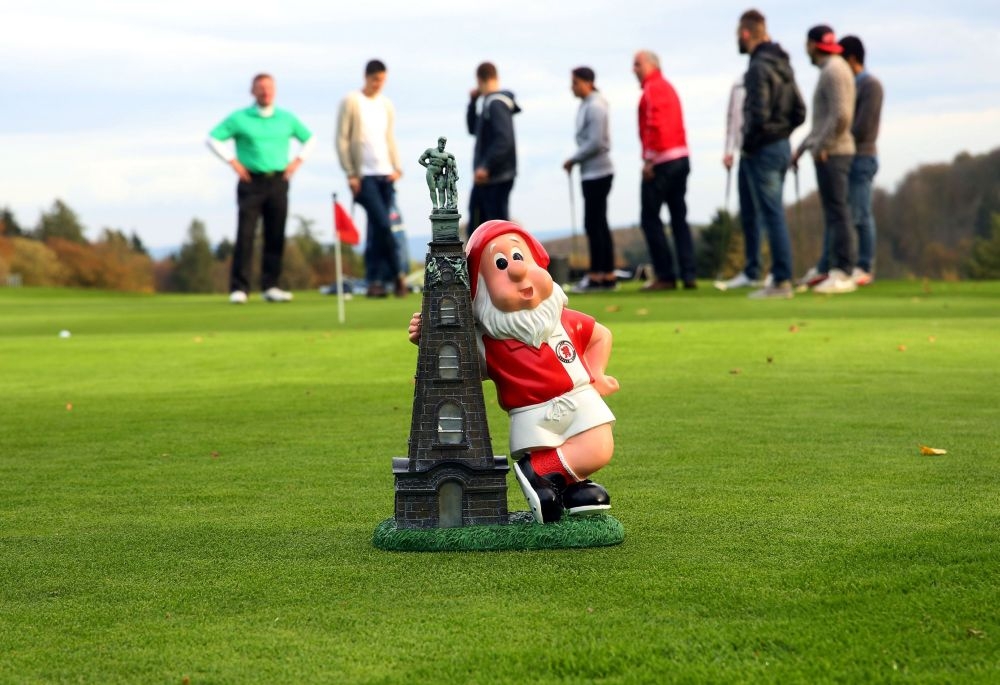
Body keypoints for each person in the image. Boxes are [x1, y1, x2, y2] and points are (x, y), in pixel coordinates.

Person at [408, 220, 619, 524]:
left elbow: (601, 336)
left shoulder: (562, 320)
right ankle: (538, 472)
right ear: (482, 290)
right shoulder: (488, 342)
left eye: (519, 257)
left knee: (598, 446)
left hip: (578, 398)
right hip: (531, 413)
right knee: (595, 449)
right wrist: (429, 337)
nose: (517, 271)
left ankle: (561, 485)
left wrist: (597, 372)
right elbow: (458, 363)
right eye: (501, 264)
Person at [207, 73, 313, 304]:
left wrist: (297, 161)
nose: (266, 92)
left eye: (269, 88)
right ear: (253, 91)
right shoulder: (240, 118)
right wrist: (232, 161)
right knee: (246, 233)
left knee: (275, 234)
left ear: (275, 91)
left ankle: (271, 285)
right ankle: (240, 288)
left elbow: (310, 139)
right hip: (250, 181)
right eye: (261, 88)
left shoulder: (286, 118)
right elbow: (213, 138)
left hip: (278, 180)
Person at [736, 9, 807, 299]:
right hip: (781, 145)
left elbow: (758, 116)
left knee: (771, 214)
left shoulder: (758, 67)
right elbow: (800, 112)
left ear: (745, 33)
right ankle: (781, 276)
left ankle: (781, 280)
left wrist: (749, 145)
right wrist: (783, 133)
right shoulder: (783, 64)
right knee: (774, 212)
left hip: (764, 149)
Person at [791, 26, 857, 294]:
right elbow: (823, 122)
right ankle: (830, 267)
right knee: (833, 213)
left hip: (835, 153)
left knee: (838, 212)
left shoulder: (833, 70)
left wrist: (821, 146)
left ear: (813, 45)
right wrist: (802, 148)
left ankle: (843, 271)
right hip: (830, 150)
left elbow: (841, 116)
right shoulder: (833, 68)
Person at [336, 59, 406, 298]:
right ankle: (396, 274)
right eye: (376, 79)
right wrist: (350, 172)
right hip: (364, 176)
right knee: (382, 225)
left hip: (386, 175)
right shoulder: (352, 101)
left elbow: (389, 137)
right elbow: (342, 139)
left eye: (382, 80)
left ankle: (377, 281)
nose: (379, 84)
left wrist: (397, 167)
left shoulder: (386, 105)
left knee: (379, 229)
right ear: (366, 77)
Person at [633, 50, 696, 291]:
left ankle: (666, 276)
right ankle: (688, 274)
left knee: (650, 218)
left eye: (637, 64)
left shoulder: (652, 89)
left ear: (651, 65)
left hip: (662, 161)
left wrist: (649, 160)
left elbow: (653, 124)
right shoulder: (669, 87)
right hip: (681, 156)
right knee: (679, 217)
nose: (634, 69)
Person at [562, 66, 616, 293]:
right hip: (591, 172)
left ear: (588, 82)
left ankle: (599, 275)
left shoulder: (595, 105)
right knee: (597, 223)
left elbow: (596, 142)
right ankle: (605, 275)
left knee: (595, 224)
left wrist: (573, 159)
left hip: (598, 172)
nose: (572, 87)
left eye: (575, 83)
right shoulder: (587, 104)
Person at [839, 35, 883, 286]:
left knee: (861, 214)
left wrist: (839, 142)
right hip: (849, 157)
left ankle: (865, 266)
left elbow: (863, 127)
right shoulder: (852, 85)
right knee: (848, 214)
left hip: (863, 156)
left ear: (852, 59)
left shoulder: (870, 85)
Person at [466, 62, 521, 232]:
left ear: (479, 80)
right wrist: (473, 103)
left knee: (493, 228)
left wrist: (485, 166)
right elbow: (473, 129)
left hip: (495, 177)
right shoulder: (489, 102)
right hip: (491, 178)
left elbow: (504, 139)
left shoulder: (495, 103)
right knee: (479, 226)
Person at [418, 136, 458, 210]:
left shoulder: (447, 154)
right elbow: (420, 160)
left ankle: (442, 205)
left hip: (440, 173)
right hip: (431, 172)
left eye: (444, 143)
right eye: (442, 143)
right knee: (432, 189)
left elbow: (453, 161)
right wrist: (427, 166)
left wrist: (456, 173)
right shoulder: (430, 151)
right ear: (438, 142)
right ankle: (435, 204)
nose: (443, 145)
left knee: (441, 189)